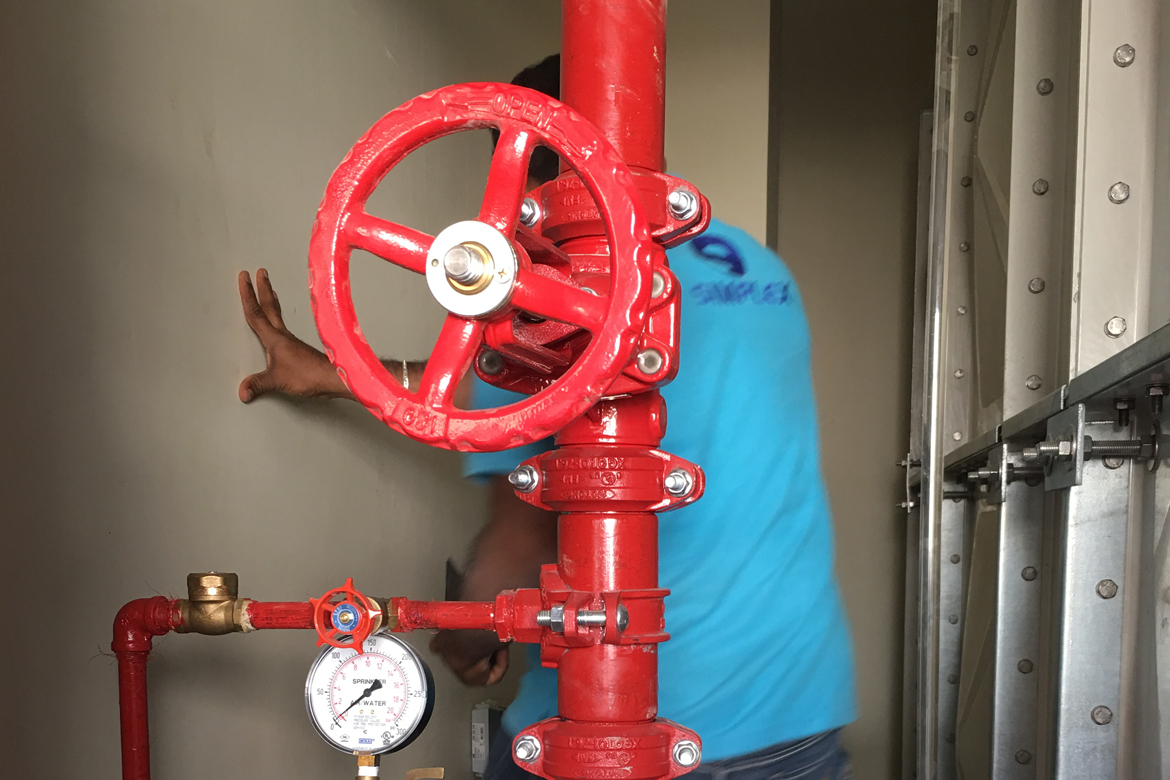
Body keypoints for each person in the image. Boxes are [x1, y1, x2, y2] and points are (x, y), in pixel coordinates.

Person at [238, 55, 855, 780]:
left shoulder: (560, 285)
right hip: (794, 703)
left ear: (529, 169)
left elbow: (519, 534)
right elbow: (546, 384)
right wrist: (335, 373)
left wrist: (469, 636)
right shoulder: (752, 266)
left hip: (639, 710)